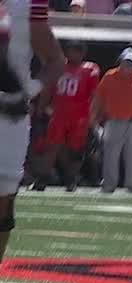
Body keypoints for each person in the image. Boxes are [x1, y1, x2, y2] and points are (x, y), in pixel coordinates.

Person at [0, 0, 62, 265]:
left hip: (7, 113)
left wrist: (29, 90)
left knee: (3, 201)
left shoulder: (28, 3)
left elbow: (56, 60)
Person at [90, 48, 132, 195]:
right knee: (110, 155)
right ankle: (108, 185)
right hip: (114, 121)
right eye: (126, 62)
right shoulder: (109, 76)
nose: (129, 66)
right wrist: (94, 120)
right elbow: (98, 100)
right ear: (120, 61)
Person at [37, 40, 98, 192]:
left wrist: (93, 117)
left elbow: (94, 95)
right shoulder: (58, 67)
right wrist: (41, 107)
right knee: (52, 147)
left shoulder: (90, 69)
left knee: (75, 150)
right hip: (59, 113)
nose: (71, 54)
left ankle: (71, 180)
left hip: (79, 115)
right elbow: (48, 89)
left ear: (82, 53)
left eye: (75, 51)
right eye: (69, 50)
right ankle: (42, 179)